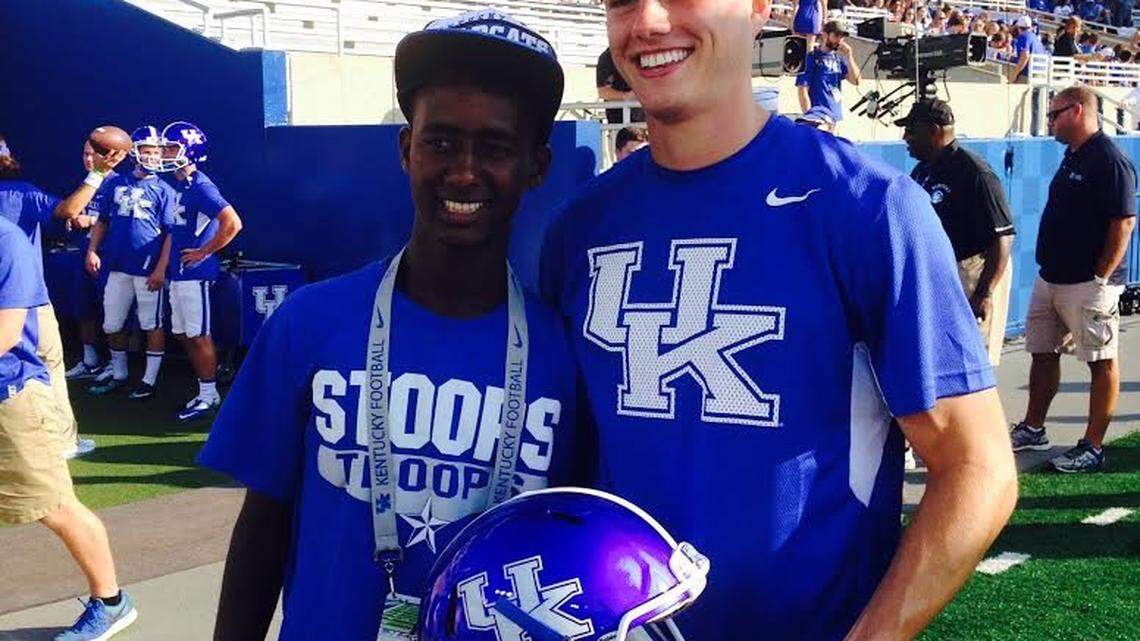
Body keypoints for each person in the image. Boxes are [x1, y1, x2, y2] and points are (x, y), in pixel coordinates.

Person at [539, 0, 1017, 639]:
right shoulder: (579, 230)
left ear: (760, 7)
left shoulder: (866, 206)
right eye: (623, 0)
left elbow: (977, 466)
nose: (648, 22)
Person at [199, 10, 579, 641]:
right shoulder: (309, 323)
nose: (464, 171)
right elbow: (263, 528)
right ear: (407, 150)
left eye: (494, 148)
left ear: (536, 166)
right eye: (441, 143)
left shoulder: (562, 358)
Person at [0, 216, 137, 641]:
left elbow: (6, 332)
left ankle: (111, 603)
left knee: (56, 506)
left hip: (11, 400)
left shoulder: (6, 241)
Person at [1010, 85, 1137, 473]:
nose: (1049, 122)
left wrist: (1100, 277)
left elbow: (1124, 222)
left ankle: (1093, 446)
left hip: (1087, 282)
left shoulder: (1109, 159)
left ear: (1077, 110)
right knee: (1042, 352)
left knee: (1100, 360)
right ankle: (1034, 428)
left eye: (1054, 114)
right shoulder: (1074, 155)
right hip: (1052, 277)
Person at [56, 126, 179, 400]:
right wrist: (92, 250)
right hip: (117, 265)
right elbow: (102, 221)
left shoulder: (165, 190)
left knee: (152, 324)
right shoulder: (115, 183)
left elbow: (171, 234)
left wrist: (161, 268)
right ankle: (120, 372)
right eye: (147, 151)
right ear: (134, 153)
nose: (153, 157)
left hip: (147, 267)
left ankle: (149, 379)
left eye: (157, 152)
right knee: (112, 324)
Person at [899, 99, 1016, 366]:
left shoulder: (975, 172)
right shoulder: (922, 170)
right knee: (940, 358)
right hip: (939, 271)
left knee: (971, 361)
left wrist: (984, 293)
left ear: (934, 130)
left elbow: (1003, 236)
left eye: (911, 130)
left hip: (972, 271)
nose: (906, 137)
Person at [0, 146, 97, 459]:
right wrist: (99, 173)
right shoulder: (20, 193)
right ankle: (62, 441)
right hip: (27, 301)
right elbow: (68, 210)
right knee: (47, 367)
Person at [159, 121, 244, 421]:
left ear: (190, 151)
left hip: (196, 274)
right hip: (180, 273)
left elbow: (233, 223)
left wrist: (204, 251)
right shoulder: (180, 185)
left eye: (172, 148)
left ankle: (209, 395)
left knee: (199, 335)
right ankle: (204, 387)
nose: (165, 154)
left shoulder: (201, 186)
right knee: (183, 333)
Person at [64, 141, 119, 383]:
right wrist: (72, 217)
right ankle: (90, 360)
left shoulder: (118, 183)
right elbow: (71, 210)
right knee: (83, 306)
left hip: (107, 257)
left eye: (93, 155)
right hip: (83, 253)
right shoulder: (86, 183)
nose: (88, 159)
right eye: (85, 154)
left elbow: (125, 221)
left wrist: (90, 220)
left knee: (111, 312)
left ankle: (116, 363)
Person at [795, 19, 860, 132]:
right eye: (836, 35)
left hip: (835, 116)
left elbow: (856, 81)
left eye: (842, 37)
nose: (840, 40)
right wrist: (809, 116)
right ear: (825, 35)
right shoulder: (812, 58)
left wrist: (849, 56)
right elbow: (802, 89)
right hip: (818, 116)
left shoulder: (838, 59)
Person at [597, 47, 644, 125]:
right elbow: (603, 92)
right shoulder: (607, 57)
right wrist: (627, 96)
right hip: (620, 119)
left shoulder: (643, 53)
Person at [1008, 15, 1048, 82]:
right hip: (1042, 72)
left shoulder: (1023, 36)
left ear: (1017, 27)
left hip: (1029, 74)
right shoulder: (1035, 37)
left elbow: (1025, 56)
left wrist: (1014, 75)